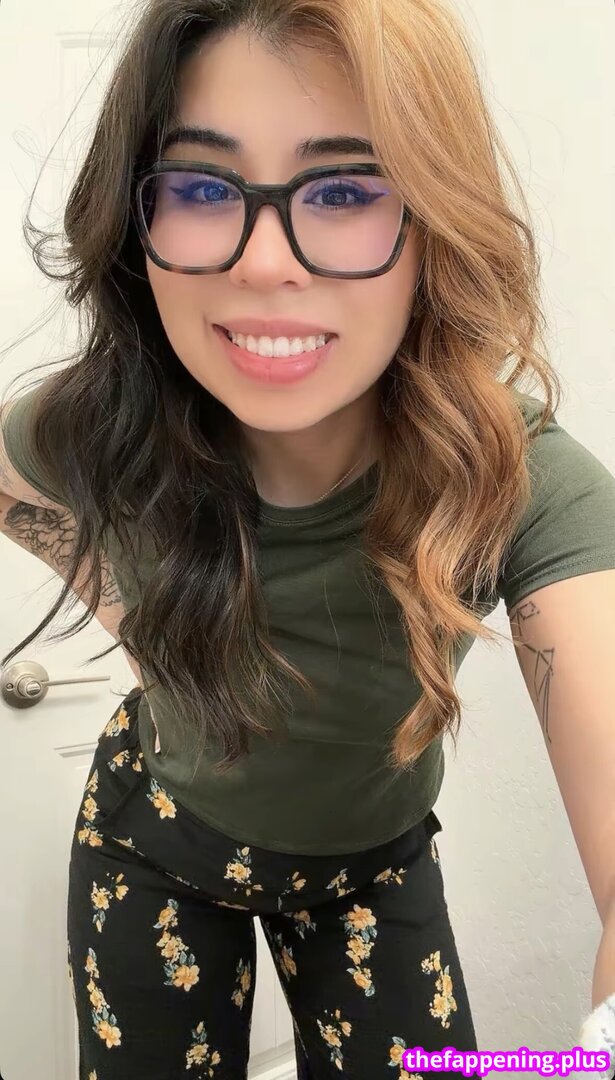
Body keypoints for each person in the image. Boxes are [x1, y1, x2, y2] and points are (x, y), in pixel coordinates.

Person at [1, 1, 615, 1078]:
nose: (266, 263)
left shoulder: (516, 479)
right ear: (137, 223)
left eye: (343, 190)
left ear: (434, 225)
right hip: (150, 838)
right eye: (201, 188)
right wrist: (130, 610)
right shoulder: (95, 427)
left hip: (368, 875)